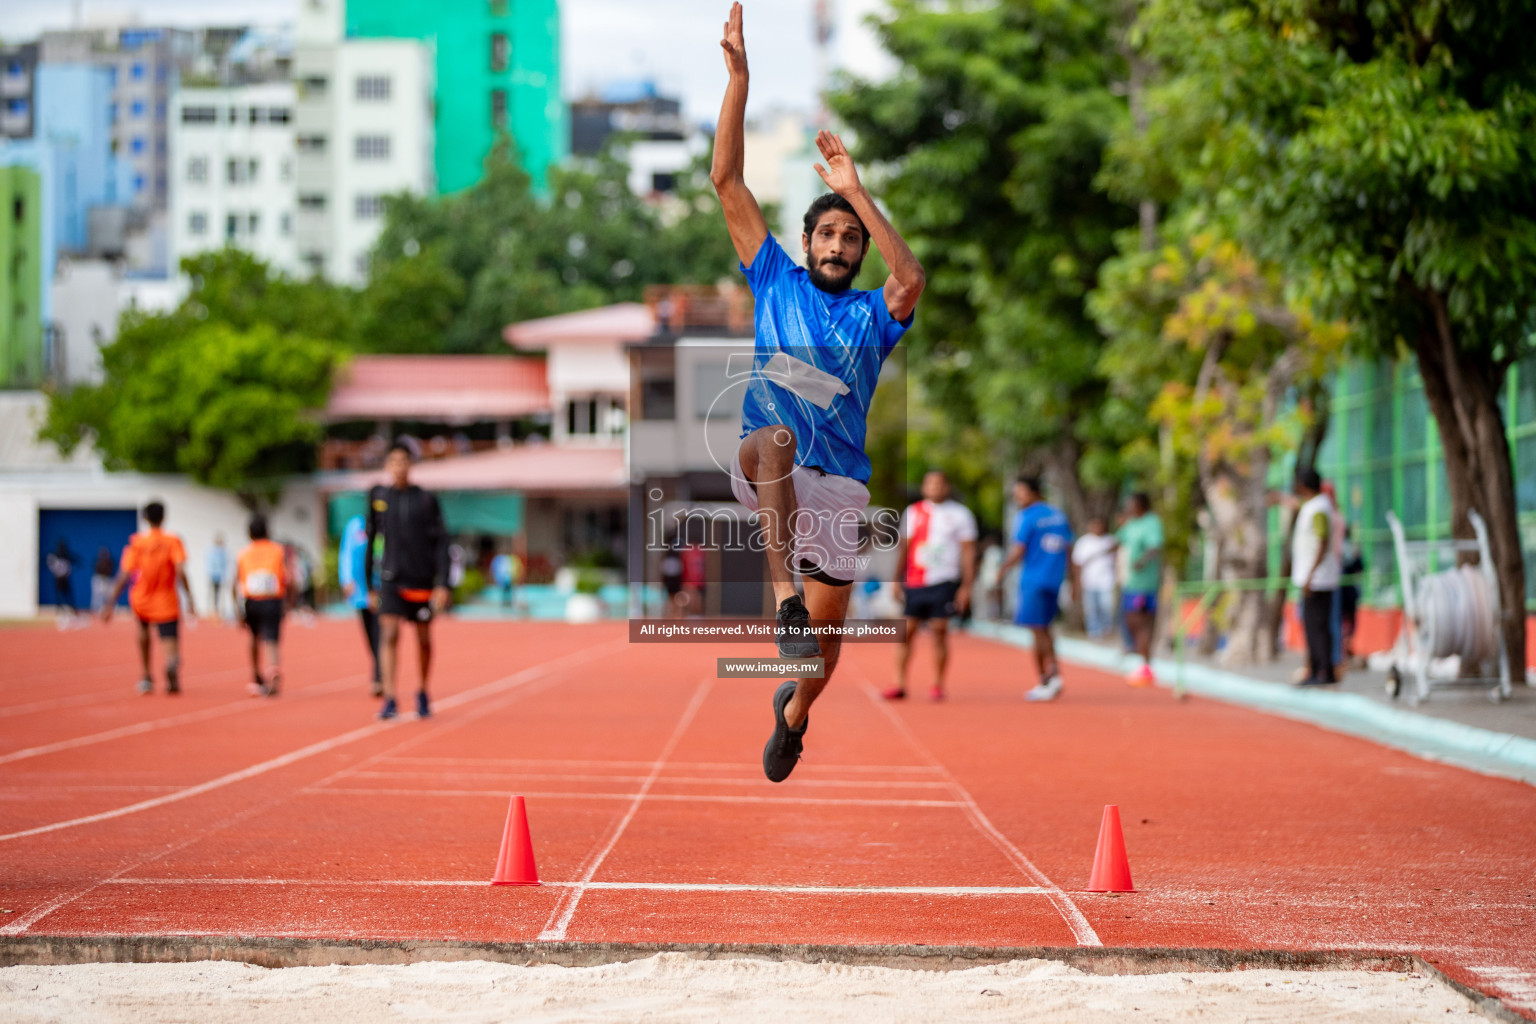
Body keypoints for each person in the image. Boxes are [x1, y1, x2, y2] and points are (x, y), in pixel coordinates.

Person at [712, 2, 926, 782]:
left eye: (851, 237)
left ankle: (794, 711)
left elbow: (913, 279)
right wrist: (739, 78)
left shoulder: (877, 312)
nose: (838, 244)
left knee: (827, 650)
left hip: (838, 488)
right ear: (806, 244)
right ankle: (782, 599)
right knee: (773, 441)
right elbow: (725, 179)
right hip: (769, 466)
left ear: (860, 249)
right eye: (827, 234)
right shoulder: (772, 277)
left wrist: (858, 190)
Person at [365, 440, 451, 720]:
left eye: (404, 461)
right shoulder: (379, 498)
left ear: (410, 465)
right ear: (387, 466)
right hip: (391, 579)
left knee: (423, 639)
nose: (399, 467)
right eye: (394, 462)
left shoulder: (426, 499)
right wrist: (369, 584)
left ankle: (423, 690)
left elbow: (442, 542)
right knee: (389, 633)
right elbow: (371, 541)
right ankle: (390, 696)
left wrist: (442, 583)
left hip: (422, 579)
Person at [885, 470, 976, 701]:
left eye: (939, 483)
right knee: (907, 632)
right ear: (924, 487)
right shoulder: (913, 512)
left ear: (947, 487)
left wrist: (967, 586)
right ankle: (899, 682)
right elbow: (903, 548)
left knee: (939, 631)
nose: (935, 487)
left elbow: (968, 552)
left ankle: (937, 683)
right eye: (930, 483)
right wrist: (895, 579)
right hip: (916, 581)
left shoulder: (960, 514)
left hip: (944, 580)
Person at [101, 501, 196, 695]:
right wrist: (190, 598)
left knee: (143, 630)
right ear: (163, 517)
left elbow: (124, 574)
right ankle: (171, 663)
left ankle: (146, 676)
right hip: (166, 597)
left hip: (142, 597)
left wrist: (110, 603)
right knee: (169, 636)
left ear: (145, 518)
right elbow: (180, 570)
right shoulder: (173, 541)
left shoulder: (137, 543)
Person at [1000, 478, 1073, 701]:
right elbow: (1070, 548)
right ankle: (1054, 675)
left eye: (1020, 493)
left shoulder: (1027, 516)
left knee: (1037, 630)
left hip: (1033, 580)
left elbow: (1019, 548)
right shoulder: (1058, 515)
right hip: (1054, 580)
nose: (1017, 497)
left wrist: (1001, 571)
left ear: (1034, 492)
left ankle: (1046, 679)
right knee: (1046, 629)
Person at [1291, 467, 1341, 686]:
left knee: (1317, 627)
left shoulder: (1319, 508)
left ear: (1303, 485)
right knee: (1314, 626)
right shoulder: (1313, 506)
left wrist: (1310, 575)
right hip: (1314, 577)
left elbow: (1322, 541)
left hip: (1318, 579)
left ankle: (1322, 672)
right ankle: (1319, 670)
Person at [235, 514, 288, 697]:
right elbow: (287, 577)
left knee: (253, 637)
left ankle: (256, 673)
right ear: (267, 531)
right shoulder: (278, 551)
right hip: (272, 599)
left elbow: (235, 582)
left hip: (251, 600)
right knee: (271, 640)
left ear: (249, 534)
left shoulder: (243, 553)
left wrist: (237, 609)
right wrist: (289, 601)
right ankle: (273, 670)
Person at [1118, 492, 1164, 686]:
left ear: (1142, 505)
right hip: (1130, 583)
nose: (1129, 509)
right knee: (1130, 621)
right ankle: (1140, 660)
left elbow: (1155, 547)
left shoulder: (1151, 522)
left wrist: (1142, 561)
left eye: (1132, 505)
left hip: (1144, 585)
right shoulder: (1131, 524)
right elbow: (1117, 541)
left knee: (1141, 622)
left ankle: (1146, 667)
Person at [338, 512, 382, 697]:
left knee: (380, 632)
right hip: (361, 590)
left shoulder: (386, 524)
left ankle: (379, 675)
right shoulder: (355, 525)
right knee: (370, 634)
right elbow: (346, 553)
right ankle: (379, 666)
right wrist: (346, 579)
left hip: (381, 590)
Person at [1072, 516, 1119, 640]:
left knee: (1106, 607)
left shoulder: (1110, 540)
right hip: (1089, 581)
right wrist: (1076, 583)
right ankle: (1094, 633)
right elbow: (1077, 564)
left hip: (1106, 581)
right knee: (1091, 609)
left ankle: (1106, 630)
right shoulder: (1084, 542)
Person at [46, 538, 78, 626]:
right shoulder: (55, 555)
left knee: (68, 596)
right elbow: (51, 565)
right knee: (60, 596)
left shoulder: (66, 555)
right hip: (59, 578)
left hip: (64, 578)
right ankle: (60, 612)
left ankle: (71, 611)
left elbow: (75, 560)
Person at [206, 534, 229, 621]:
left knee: (219, 595)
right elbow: (210, 564)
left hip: (220, 576)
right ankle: (211, 612)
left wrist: (224, 576)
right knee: (212, 594)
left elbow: (224, 565)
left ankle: (218, 612)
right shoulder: (212, 551)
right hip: (213, 575)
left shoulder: (223, 552)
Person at [91, 546, 117, 615]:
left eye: (105, 553)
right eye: (102, 553)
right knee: (98, 597)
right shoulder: (97, 561)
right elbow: (96, 570)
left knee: (109, 595)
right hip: (99, 579)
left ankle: (110, 610)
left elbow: (112, 571)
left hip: (108, 579)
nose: (104, 554)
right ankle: (95, 611)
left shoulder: (110, 561)